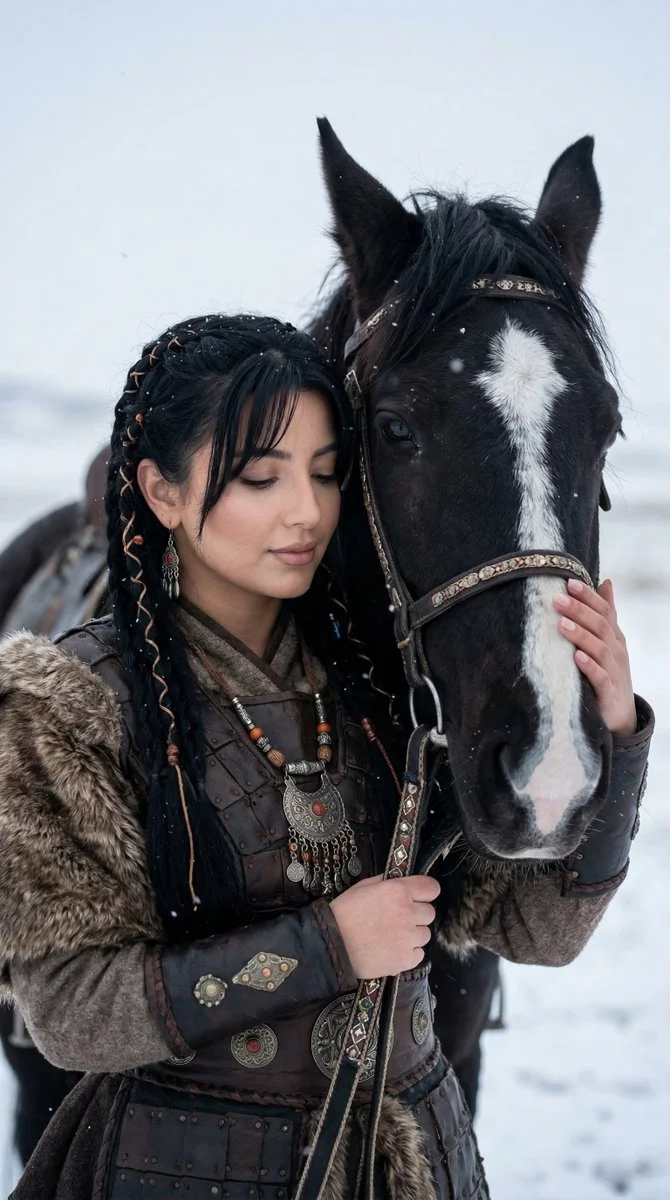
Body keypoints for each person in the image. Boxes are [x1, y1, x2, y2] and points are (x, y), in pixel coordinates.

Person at [0, 315, 652, 1200]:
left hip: (418, 1164)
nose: (305, 512)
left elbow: (539, 931)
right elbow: (73, 1016)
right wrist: (329, 947)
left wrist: (613, 737)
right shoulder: (71, 706)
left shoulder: (386, 692)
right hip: (183, 1170)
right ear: (159, 490)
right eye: (261, 478)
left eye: (326, 473)